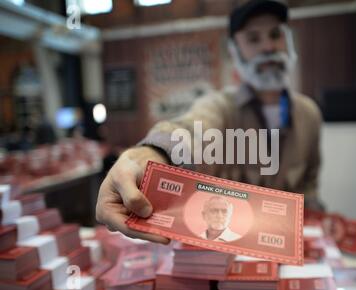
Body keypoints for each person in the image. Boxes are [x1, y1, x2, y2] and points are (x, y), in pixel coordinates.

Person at [96, 0, 324, 243]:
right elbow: (191, 130)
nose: (268, 46)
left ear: (288, 42)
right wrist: (146, 157)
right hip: (228, 252)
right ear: (235, 52)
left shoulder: (309, 114)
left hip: (289, 247)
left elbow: (309, 180)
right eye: (253, 39)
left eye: (275, 34)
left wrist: (317, 220)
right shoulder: (220, 107)